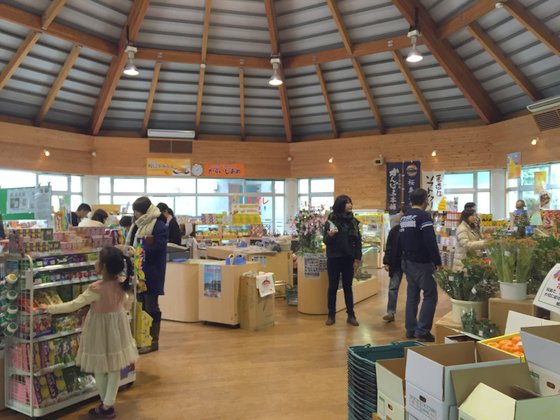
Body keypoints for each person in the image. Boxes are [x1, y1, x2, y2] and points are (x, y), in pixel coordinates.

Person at [39, 246, 138, 418]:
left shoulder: (96, 288)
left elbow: (73, 305)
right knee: (114, 366)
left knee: (99, 367)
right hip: (118, 326)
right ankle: (108, 403)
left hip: (98, 329)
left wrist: (49, 308)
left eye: (98, 260)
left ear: (104, 266)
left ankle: (106, 405)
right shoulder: (122, 283)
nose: (95, 262)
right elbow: (126, 300)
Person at [399, 188, 442, 342]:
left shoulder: (405, 217)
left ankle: (410, 329)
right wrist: (437, 262)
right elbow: (430, 240)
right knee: (430, 295)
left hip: (407, 262)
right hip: (422, 263)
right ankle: (423, 330)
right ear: (425, 200)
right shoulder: (424, 216)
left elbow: (401, 240)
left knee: (412, 295)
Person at [126, 196, 168, 353]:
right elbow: (131, 242)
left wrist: (137, 251)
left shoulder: (159, 225)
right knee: (139, 306)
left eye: (137, 212)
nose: (136, 215)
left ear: (145, 211)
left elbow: (158, 248)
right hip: (137, 272)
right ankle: (140, 338)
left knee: (151, 306)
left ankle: (152, 340)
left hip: (151, 272)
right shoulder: (137, 225)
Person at [323, 195, 362, 327]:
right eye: (347, 203)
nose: (350, 205)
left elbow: (358, 242)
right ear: (340, 205)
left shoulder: (353, 221)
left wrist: (358, 258)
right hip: (333, 258)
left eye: (350, 202)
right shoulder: (331, 220)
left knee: (348, 287)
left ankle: (351, 315)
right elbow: (325, 241)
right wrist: (330, 236)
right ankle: (331, 315)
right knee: (332, 287)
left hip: (348, 258)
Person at [381, 207, 407, 323]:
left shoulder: (414, 230)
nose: (400, 216)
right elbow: (389, 248)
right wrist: (387, 261)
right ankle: (390, 312)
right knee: (393, 287)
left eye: (402, 214)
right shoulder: (394, 231)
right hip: (396, 262)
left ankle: (411, 314)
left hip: (411, 262)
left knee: (413, 288)